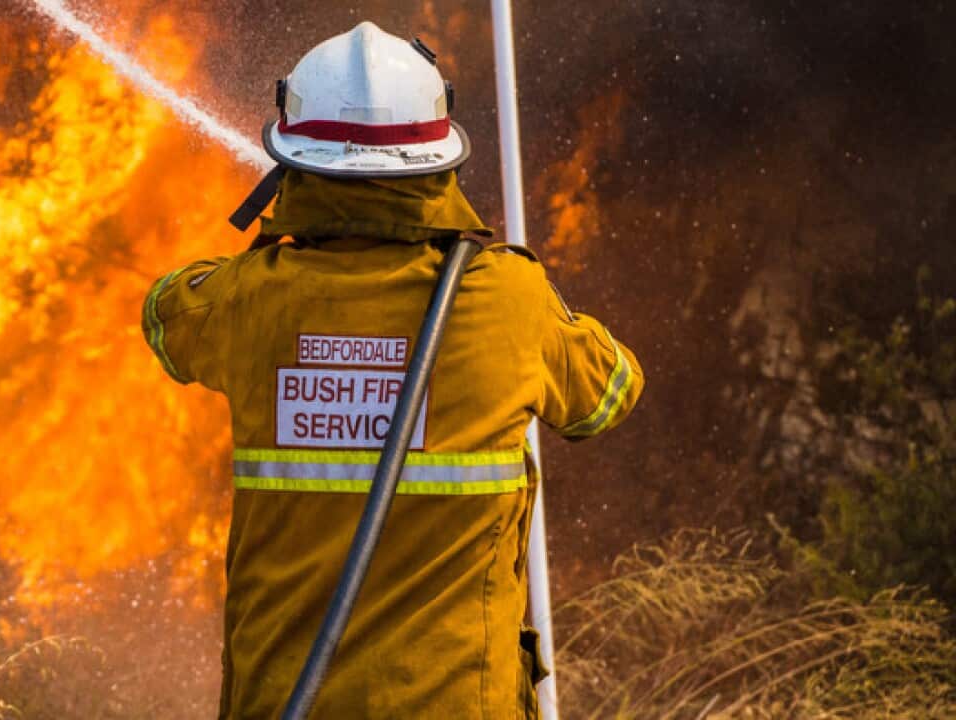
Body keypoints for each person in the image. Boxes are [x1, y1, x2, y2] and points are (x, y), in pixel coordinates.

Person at [141, 22, 644, 719]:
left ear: (293, 162)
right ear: (439, 163)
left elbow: (164, 315)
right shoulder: (507, 299)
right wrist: (533, 301)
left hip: (285, 702)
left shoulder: (248, 297)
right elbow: (607, 394)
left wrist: (277, 239)